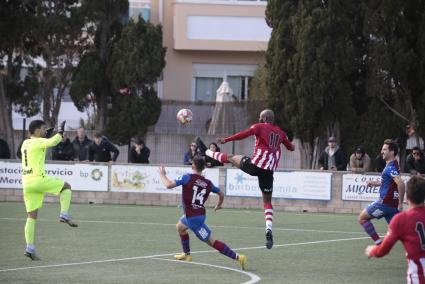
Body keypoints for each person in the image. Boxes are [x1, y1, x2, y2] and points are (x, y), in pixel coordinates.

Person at [197, 109, 295, 249]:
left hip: (255, 166)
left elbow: (243, 134)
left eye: (260, 116)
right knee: (267, 202)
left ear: (265, 118)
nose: (258, 118)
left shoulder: (259, 127)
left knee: (231, 157)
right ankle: (268, 229)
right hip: (268, 172)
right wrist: (291, 146)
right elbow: (290, 147)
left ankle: (206, 152)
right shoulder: (280, 132)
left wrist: (226, 139)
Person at [158, 155, 247, 270]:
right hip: (197, 214)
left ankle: (238, 257)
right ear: (204, 167)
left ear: (193, 165)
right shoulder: (207, 183)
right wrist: (219, 205)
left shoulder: (187, 178)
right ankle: (187, 254)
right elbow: (221, 193)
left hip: (193, 219)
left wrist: (162, 174)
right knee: (180, 227)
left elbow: (168, 185)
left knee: (212, 242)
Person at [20, 120, 77, 260]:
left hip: (27, 182)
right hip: (38, 180)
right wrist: (60, 132)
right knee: (67, 187)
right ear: (38, 130)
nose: (44, 130)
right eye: (43, 129)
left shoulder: (25, 143)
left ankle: (30, 248)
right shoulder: (37, 142)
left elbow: (41, 144)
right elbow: (52, 142)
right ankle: (64, 214)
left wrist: (46, 136)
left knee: (31, 217)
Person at [365, 176, 425, 283]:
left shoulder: (401, 220)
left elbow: (383, 250)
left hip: (418, 278)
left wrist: (372, 251)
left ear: (407, 197)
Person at [358, 139, 405, 245]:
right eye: (382, 149)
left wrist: (401, 204)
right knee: (400, 233)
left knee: (362, 218)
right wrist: (375, 183)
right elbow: (390, 182)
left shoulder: (390, 167)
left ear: (392, 152)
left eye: (384, 150)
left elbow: (401, 184)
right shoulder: (394, 164)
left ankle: (379, 243)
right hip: (392, 205)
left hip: (384, 204)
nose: (382, 152)